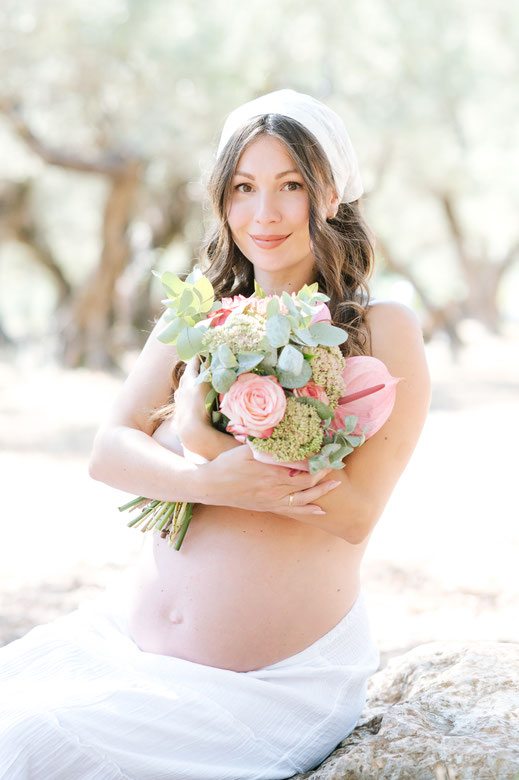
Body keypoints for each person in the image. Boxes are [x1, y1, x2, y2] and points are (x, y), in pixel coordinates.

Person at [0, 89, 431, 780]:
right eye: (244, 187)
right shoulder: (198, 311)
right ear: (221, 199)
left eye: (290, 185)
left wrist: (206, 438)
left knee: (34, 742)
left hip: (268, 687)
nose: (264, 213)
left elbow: (353, 515)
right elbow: (109, 450)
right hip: (125, 645)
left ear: (331, 195)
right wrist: (198, 479)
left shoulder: (379, 329)